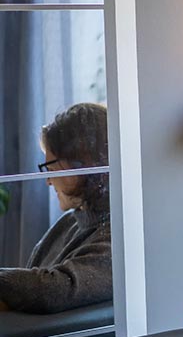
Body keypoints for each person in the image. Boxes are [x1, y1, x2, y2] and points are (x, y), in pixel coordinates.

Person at [0, 102, 112, 313]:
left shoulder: (118, 234)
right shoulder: (70, 222)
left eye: (51, 169)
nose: (49, 181)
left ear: (83, 166)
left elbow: (55, 289)